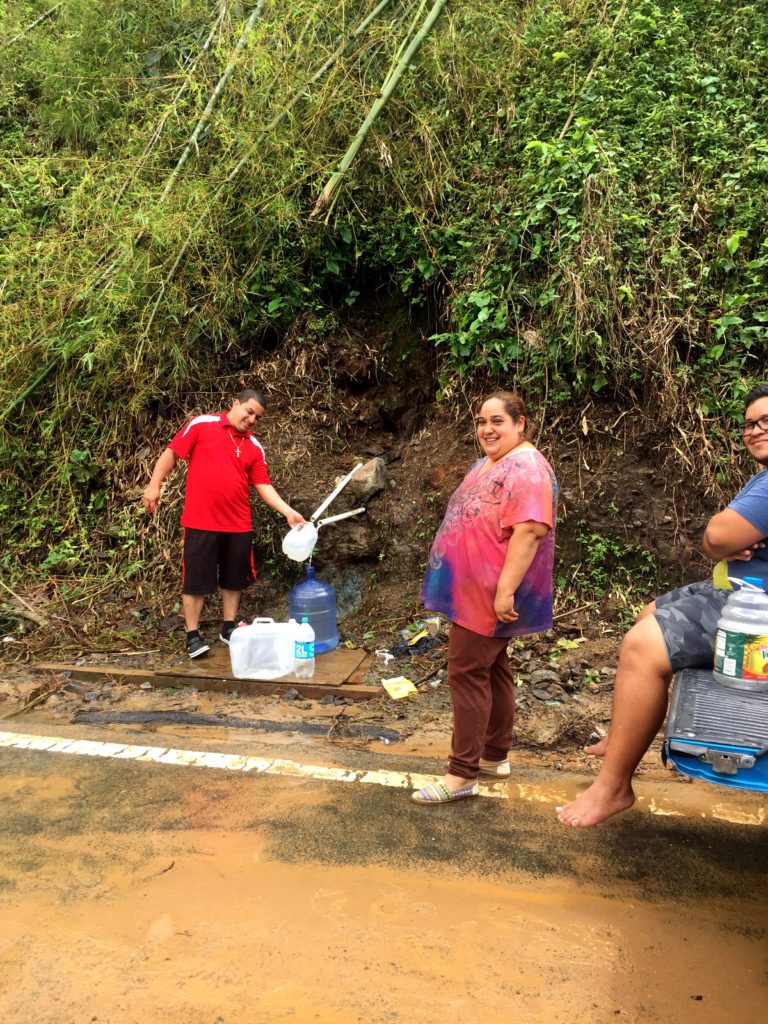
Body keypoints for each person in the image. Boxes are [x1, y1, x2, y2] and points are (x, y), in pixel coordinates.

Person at [557, 382, 768, 827]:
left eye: (766, 421)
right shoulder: (762, 476)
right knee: (649, 613)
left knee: (643, 645)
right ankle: (623, 737)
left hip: (756, 608)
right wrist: (724, 541)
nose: (756, 430)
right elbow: (722, 540)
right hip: (732, 590)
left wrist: (722, 540)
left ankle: (613, 787)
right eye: (750, 424)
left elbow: (717, 536)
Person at [413, 391, 557, 804]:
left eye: (497, 421)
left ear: (520, 423)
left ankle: (462, 774)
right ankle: (494, 755)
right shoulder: (491, 462)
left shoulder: (527, 468)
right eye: (481, 422)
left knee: (466, 672)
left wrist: (505, 591)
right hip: (472, 590)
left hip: (492, 594)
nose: (487, 429)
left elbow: (529, 532)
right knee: (493, 669)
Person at [142, 387, 306, 658]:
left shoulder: (254, 446)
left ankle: (228, 627)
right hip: (200, 520)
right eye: (249, 411)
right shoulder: (202, 425)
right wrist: (153, 484)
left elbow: (263, 485)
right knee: (195, 579)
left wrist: (288, 511)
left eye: (258, 417)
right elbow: (171, 453)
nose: (252, 419)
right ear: (235, 404)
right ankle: (193, 636)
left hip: (238, 523)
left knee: (233, 579)